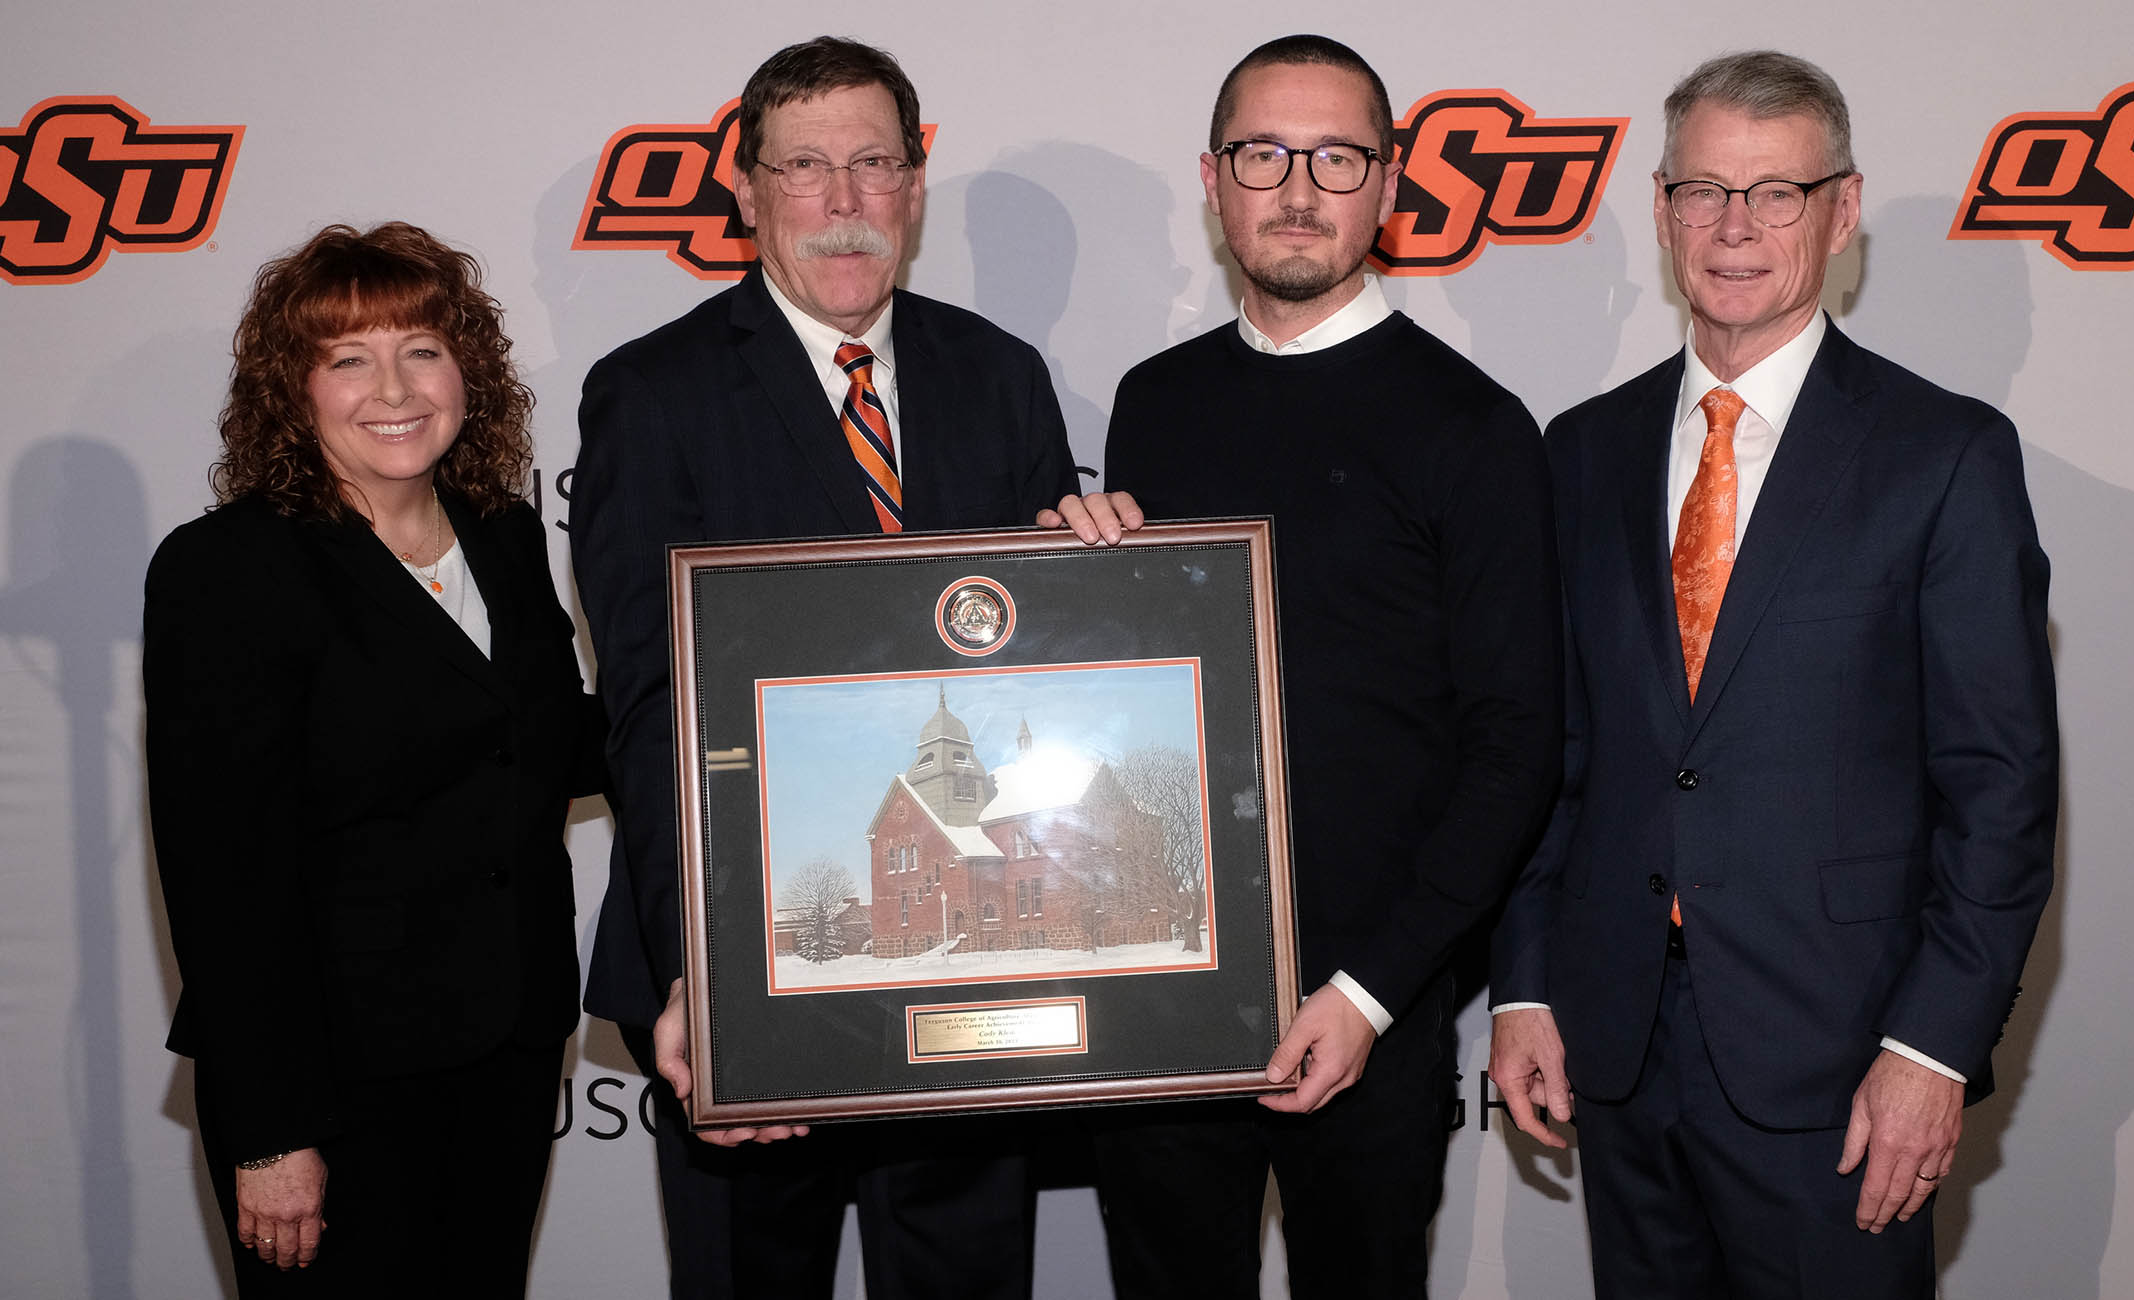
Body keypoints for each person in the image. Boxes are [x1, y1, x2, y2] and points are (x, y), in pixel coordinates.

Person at [1487, 50, 2058, 1298]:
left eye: (1775, 194)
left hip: (1842, 1059)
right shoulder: (1581, 452)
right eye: (1702, 191)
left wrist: (1930, 1050)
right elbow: (1555, 757)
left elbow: (2001, 789)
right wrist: (1522, 988)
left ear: (1841, 212)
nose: (1733, 228)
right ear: (1659, 210)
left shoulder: (1945, 456)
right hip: (1620, 1043)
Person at [570, 35, 1081, 1300]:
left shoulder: (1000, 375)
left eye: (872, 163)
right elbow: (646, 705)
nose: (843, 202)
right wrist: (703, 969)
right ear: (744, 188)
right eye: (804, 167)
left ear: (917, 179)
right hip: (739, 964)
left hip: (966, 976)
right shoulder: (651, 396)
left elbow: (1037, 685)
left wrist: (1100, 583)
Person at [1082, 34, 1563, 1299]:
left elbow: (1516, 746)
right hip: (1162, 991)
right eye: (1262, 154)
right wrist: (1065, 590)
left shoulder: (1474, 427)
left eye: (1337, 156)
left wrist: (1368, 993)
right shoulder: (1154, 402)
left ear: (1390, 184)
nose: (1297, 188)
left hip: (1371, 1006)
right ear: (1212, 177)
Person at [143, 222, 603, 1296]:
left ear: (466, 372)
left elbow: (539, 740)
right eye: (348, 357)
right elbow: (223, 874)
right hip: (331, 1078)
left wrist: (743, 707)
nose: (392, 386)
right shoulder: (228, 569)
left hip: (507, 1040)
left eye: (422, 349)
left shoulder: (500, 532)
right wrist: (270, 1133)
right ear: (292, 390)